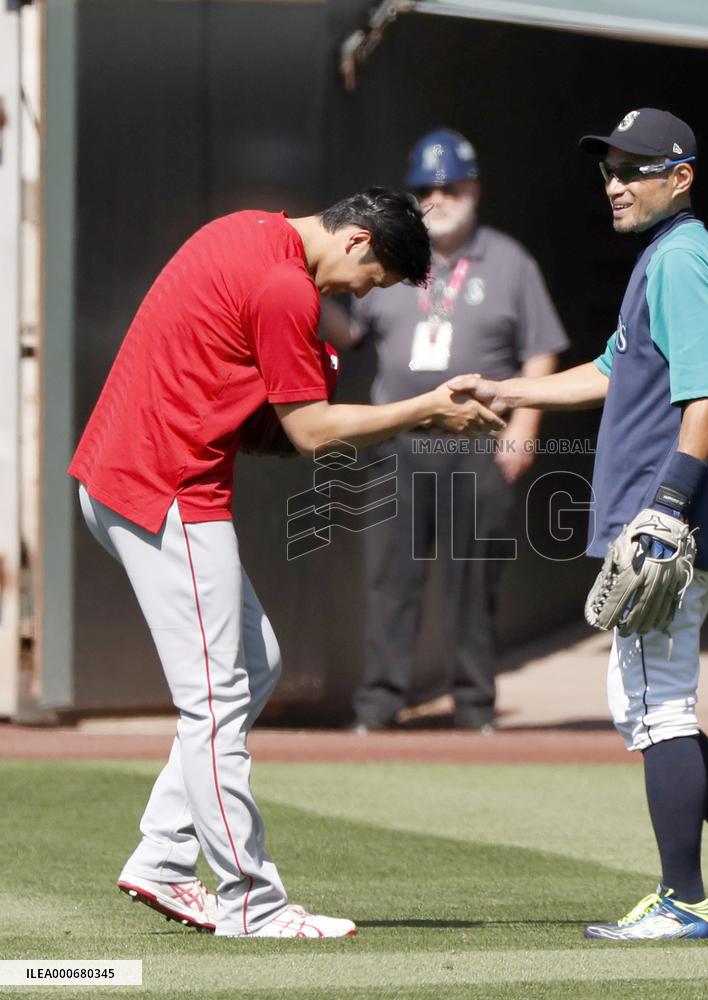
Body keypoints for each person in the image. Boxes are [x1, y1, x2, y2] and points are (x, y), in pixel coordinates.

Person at [68, 189, 504, 940]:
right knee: (212, 701)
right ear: (359, 239)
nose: (356, 292)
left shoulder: (248, 230)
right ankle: (250, 902)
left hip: (125, 479)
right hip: (166, 491)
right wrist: (425, 408)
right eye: (370, 279)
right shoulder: (284, 286)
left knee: (255, 663)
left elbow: (243, 399)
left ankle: (163, 856)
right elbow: (311, 434)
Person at [450, 109, 708, 940]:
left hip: (666, 521)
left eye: (635, 169)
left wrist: (667, 504)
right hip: (668, 518)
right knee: (658, 701)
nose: (614, 183)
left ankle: (680, 902)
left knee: (653, 710)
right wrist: (511, 392)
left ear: (680, 177)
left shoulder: (679, 260)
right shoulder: (665, 259)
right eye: (608, 168)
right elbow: (613, 368)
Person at [324, 129, 568, 733]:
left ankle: (474, 708)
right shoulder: (392, 259)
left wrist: (525, 425)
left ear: (473, 189)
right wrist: (299, 283)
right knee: (391, 581)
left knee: (472, 582)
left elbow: (541, 350)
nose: (438, 197)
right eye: (425, 187)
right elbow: (348, 331)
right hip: (396, 445)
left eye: (450, 185)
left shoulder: (509, 261)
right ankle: (378, 707)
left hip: (475, 444)